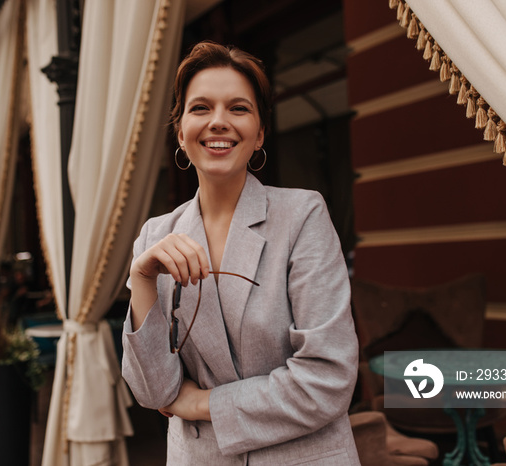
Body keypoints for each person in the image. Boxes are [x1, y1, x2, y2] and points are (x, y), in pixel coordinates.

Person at [122, 41, 360, 465]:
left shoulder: (301, 215)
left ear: (259, 133)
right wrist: (140, 278)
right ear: (180, 132)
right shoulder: (155, 237)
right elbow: (154, 392)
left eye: (238, 108)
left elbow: (328, 378)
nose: (218, 122)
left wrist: (201, 405)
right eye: (200, 108)